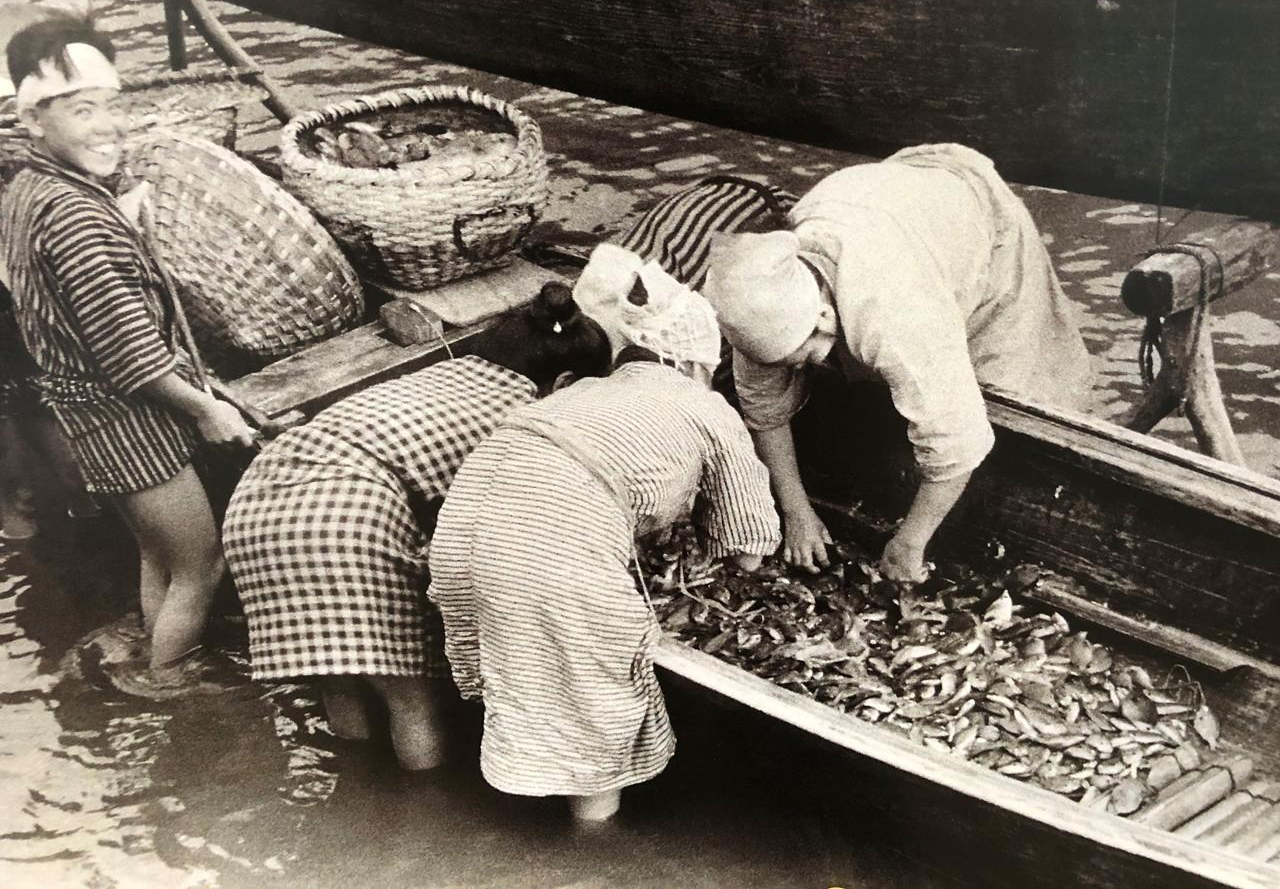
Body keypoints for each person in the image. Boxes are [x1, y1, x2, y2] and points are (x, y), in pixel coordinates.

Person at [428, 248, 782, 823]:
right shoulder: (707, 406)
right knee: (599, 712)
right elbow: (747, 549)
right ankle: (593, 849)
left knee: (522, 676)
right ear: (696, 364)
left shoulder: (577, 392)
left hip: (462, 526)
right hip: (548, 549)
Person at [221, 283, 611, 770]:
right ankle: (422, 820)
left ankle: (357, 793)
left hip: (257, 503)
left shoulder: (451, 371)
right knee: (411, 698)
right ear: (566, 383)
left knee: (338, 673)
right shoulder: (525, 415)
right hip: (343, 519)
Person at [704, 143, 1091, 583]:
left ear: (824, 315)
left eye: (802, 358)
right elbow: (764, 409)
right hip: (883, 198)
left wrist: (909, 542)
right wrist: (796, 511)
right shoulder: (758, 300)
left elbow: (957, 441)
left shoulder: (895, 308)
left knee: (1009, 390)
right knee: (880, 385)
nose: (800, 367)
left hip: (974, 221)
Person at [0, 14, 255, 682]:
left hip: (90, 419)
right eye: (84, 111)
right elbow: (132, 355)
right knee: (202, 565)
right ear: (33, 120)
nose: (109, 126)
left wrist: (121, 219)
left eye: (114, 107)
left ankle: (150, 652)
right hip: (129, 422)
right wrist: (207, 409)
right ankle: (171, 687)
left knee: (157, 556)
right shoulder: (77, 217)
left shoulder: (32, 190)